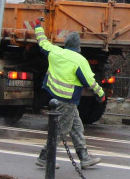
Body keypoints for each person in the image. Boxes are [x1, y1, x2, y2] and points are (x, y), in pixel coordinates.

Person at [33, 23, 105, 169]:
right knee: (62, 129)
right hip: (68, 100)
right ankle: (44, 157)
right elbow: (90, 82)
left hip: (55, 97)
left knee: (76, 126)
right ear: (78, 46)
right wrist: (101, 94)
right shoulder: (79, 60)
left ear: (66, 43)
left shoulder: (55, 52)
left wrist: (38, 27)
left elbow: (42, 42)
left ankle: (84, 157)